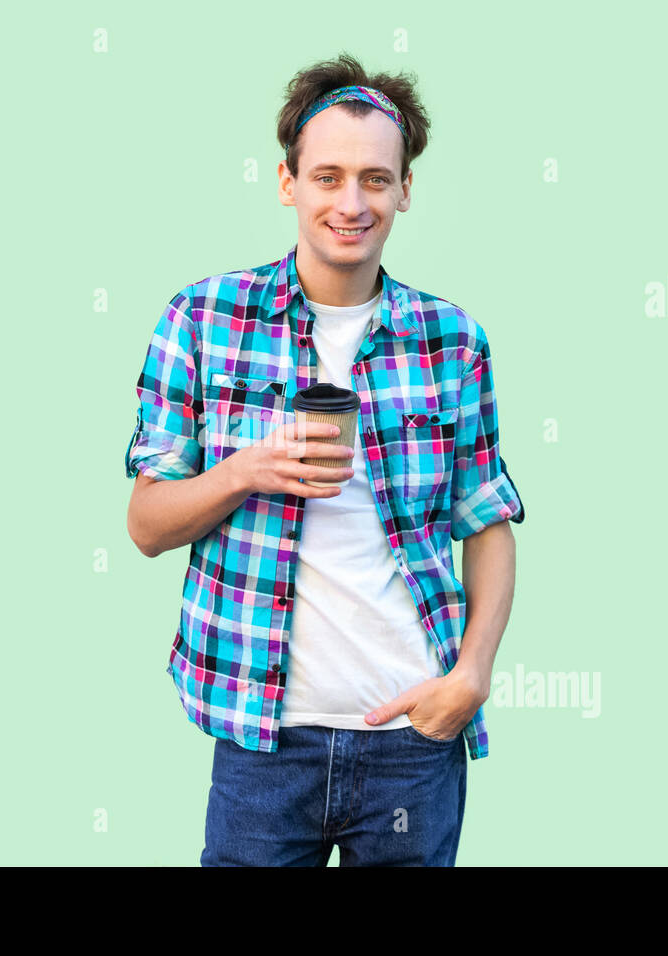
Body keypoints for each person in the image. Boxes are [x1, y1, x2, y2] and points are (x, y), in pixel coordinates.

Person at [124, 53, 525, 866]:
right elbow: (145, 525)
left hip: (414, 736)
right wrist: (246, 469)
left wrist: (473, 675)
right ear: (289, 183)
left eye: (376, 180)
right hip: (262, 740)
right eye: (329, 176)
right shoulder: (202, 318)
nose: (352, 203)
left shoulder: (453, 341)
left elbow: (487, 522)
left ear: (405, 190)